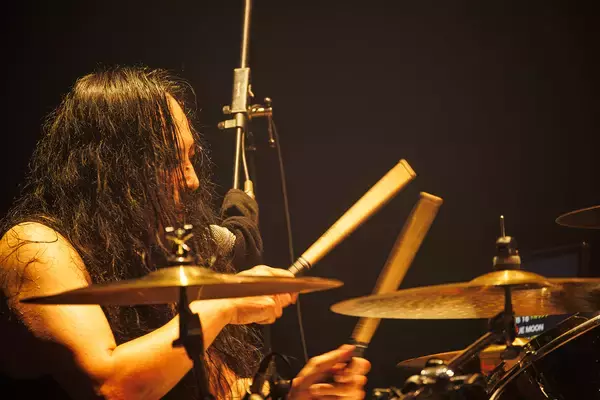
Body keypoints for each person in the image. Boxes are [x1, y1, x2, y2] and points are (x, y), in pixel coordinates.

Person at [0, 67, 370, 399]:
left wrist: (293, 392)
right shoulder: (35, 246)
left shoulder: (142, 251)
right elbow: (111, 388)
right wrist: (225, 303)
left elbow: (219, 390)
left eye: (190, 157)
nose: (192, 180)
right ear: (113, 168)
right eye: (171, 161)